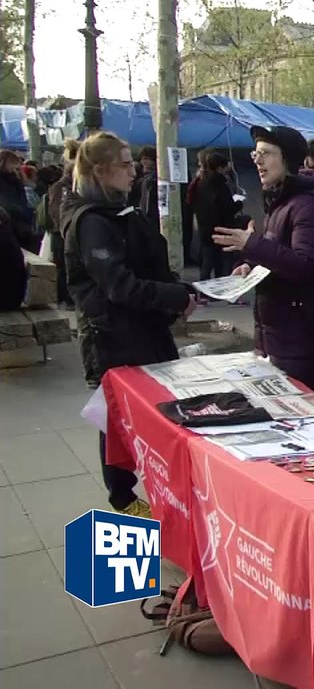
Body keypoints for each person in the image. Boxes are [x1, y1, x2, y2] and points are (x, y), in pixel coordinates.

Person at [62, 131, 197, 517]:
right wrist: (173, 296)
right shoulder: (91, 222)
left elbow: (148, 263)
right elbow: (120, 286)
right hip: (116, 338)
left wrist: (182, 290)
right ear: (102, 171)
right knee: (118, 420)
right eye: (125, 164)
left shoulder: (121, 209)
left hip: (145, 330)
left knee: (155, 414)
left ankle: (157, 484)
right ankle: (121, 496)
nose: (133, 170)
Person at [213, 125, 314, 391]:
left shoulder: (309, 206)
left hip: (302, 336)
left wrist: (251, 244)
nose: (258, 161)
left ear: (287, 158)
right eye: (255, 154)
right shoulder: (282, 200)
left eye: (265, 153)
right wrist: (249, 265)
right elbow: (279, 252)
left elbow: (306, 264)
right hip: (279, 333)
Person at [189, 150, 242, 283]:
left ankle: (204, 291)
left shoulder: (199, 183)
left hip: (204, 228)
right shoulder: (220, 185)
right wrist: (239, 204)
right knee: (225, 260)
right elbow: (227, 208)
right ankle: (224, 287)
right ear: (219, 168)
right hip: (223, 228)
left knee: (207, 261)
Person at [43, 140, 80, 307]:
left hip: (68, 233)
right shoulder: (63, 186)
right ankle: (66, 298)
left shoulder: (66, 186)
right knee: (65, 268)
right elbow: (57, 213)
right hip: (64, 234)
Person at [0, 149, 37, 252]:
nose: (17, 167)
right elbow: (11, 204)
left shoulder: (13, 180)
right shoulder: (8, 181)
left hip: (13, 223)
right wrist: (27, 213)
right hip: (15, 224)